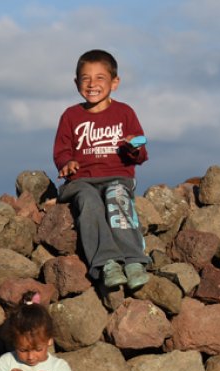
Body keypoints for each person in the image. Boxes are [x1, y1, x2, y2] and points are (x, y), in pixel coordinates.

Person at [52, 49, 151, 290]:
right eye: (86, 78)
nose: (92, 84)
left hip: (117, 177)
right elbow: (61, 150)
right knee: (89, 202)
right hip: (81, 182)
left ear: (114, 83)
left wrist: (132, 147)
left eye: (100, 78)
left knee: (116, 197)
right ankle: (107, 263)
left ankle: (134, 262)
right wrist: (66, 163)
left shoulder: (124, 112)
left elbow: (141, 152)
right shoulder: (71, 115)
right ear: (76, 83)